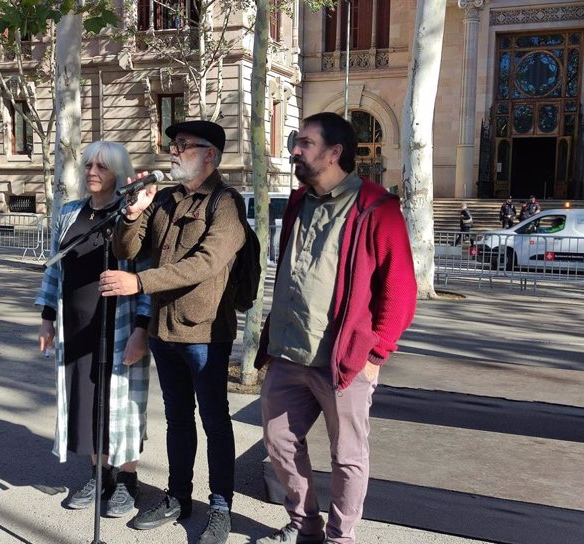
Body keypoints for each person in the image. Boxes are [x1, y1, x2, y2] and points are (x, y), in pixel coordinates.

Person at [254, 112, 417, 544]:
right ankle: (304, 524)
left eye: (304, 143)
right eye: (296, 141)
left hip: (343, 363)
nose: (294, 150)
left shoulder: (376, 208)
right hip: (288, 354)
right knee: (279, 442)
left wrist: (377, 353)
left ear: (334, 153)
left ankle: (340, 536)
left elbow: (400, 289)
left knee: (347, 457)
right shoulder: (296, 202)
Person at [99, 120, 246, 544]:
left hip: (204, 332)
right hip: (164, 330)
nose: (173, 152)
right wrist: (133, 213)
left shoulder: (226, 204)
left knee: (214, 420)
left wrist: (139, 284)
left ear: (210, 155)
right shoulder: (163, 199)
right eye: (173, 145)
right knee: (178, 418)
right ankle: (179, 495)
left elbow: (205, 263)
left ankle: (220, 506)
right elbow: (126, 249)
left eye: (183, 145)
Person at [35, 141, 151, 518]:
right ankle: (99, 475)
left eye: (101, 166)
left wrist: (142, 329)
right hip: (76, 326)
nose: (91, 172)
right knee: (87, 403)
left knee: (122, 404)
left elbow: (148, 274)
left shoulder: (132, 214)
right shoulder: (70, 212)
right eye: (87, 166)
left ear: (118, 171)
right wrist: (47, 317)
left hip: (118, 325)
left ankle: (127, 482)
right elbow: (56, 268)